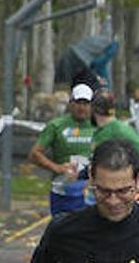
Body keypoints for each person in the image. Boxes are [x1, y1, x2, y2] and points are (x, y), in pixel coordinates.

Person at [28, 83, 97, 216]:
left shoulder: (99, 126)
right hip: (63, 189)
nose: (82, 107)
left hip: (91, 189)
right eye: (78, 102)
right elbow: (35, 154)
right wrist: (56, 168)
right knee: (62, 230)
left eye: (86, 103)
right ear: (71, 103)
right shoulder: (56, 125)